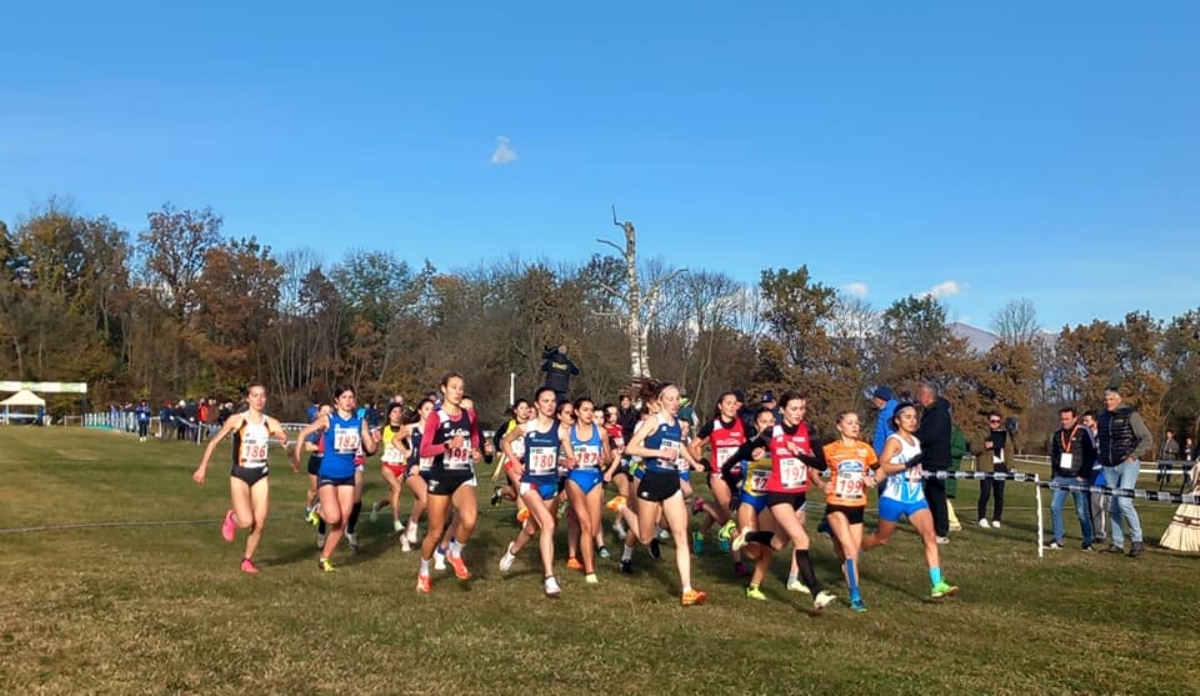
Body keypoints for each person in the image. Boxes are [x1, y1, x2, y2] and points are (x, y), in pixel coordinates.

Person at [732, 391, 836, 609]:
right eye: (794, 409)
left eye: (802, 409)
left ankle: (748, 534)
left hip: (799, 494)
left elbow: (821, 464)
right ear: (782, 410)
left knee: (778, 543)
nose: (799, 413)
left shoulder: (809, 431)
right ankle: (816, 593)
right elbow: (748, 450)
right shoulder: (773, 432)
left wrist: (799, 455)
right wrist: (747, 457)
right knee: (803, 540)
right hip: (778, 494)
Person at [619, 380, 708, 606]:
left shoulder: (678, 424)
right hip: (651, 480)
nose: (674, 402)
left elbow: (677, 447)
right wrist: (657, 452)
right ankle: (621, 507)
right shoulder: (652, 421)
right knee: (646, 537)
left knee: (680, 534)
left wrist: (694, 463)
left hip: (671, 482)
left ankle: (687, 589)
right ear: (660, 401)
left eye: (677, 398)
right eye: (670, 398)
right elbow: (631, 448)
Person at [861, 402, 958, 599]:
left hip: (916, 497)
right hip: (894, 497)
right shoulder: (894, 441)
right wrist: (907, 464)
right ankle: (854, 549)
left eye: (915, 417)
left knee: (930, 537)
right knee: (882, 538)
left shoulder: (916, 441)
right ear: (897, 420)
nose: (913, 420)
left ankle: (937, 583)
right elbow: (884, 466)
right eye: (908, 417)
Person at [192, 382, 289, 574]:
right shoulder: (237, 420)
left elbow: (287, 445)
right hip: (240, 474)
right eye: (255, 395)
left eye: (262, 395)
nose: (259, 399)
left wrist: (291, 453)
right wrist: (202, 467)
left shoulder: (272, 423)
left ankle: (247, 560)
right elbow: (214, 442)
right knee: (246, 521)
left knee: (260, 522)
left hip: (261, 474)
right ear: (248, 399)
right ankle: (232, 517)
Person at [291, 384, 378, 571]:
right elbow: (303, 433)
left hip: (348, 476)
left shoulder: (359, 423)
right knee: (332, 516)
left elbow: (370, 449)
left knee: (342, 520)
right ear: (336, 401)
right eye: (345, 397)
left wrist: (375, 441)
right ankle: (316, 508)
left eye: (351, 397)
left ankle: (324, 559)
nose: (349, 401)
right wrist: (297, 456)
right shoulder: (328, 419)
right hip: (328, 474)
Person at [499, 387, 572, 596]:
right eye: (545, 401)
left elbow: (568, 458)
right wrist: (514, 461)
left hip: (550, 484)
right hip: (530, 483)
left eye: (553, 401)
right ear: (537, 405)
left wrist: (569, 461)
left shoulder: (560, 430)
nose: (550, 405)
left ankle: (512, 551)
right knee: (548, 524)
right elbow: (506, 442)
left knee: (532, 528)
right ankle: (549, 578)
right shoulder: (526, 427)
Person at [415, 372, 481, 592]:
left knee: (469, 520)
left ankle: (455, 553)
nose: (458, 392)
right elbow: (424, 450)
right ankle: (424, 570)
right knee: (435, 532)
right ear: (443, 389)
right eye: (453, 387)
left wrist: (476, 450)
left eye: (461, 388)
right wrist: (446, 446)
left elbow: (474, 436)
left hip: (462, 475)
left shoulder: (469, 415)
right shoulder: (436, 417)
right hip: (440, 477)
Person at [820, 411, 878, 611]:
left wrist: (873, 479)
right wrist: (821, 484)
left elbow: (879, 469)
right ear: (839, 426)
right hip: (836, 505)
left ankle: (829, 529)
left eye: (857, 422)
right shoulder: (829, 450)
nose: (855, 426)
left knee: (849, 557)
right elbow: (812, 469)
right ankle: (855, 596)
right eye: (850, 423)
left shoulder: (866, 449)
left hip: (857, 506)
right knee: (850, 551)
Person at [1096, 387, 1152, 557]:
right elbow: (1102, 440)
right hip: (1108, 466)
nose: (1108, 402)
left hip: (1127, 463)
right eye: (1106, 399)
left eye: (1111, 399)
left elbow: (1146, 439)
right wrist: (1102, 457)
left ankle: (1137, 541)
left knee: (1124, 503)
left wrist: (1133, 457)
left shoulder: (1131, 415)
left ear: (1119, 400)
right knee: (1112, 505)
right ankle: (1117, 543)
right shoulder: (1103, 418)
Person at [1047, 407, 1097, 550]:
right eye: (1062, 419)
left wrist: (1084, 474)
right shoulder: (1057, 435)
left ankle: (1087, 541)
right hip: (1061, 477)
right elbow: (1054, 455)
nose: (1064, 422)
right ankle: (1058, 539)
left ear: (1075, 419)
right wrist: (1054, 475)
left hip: (1078, 478)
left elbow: (1092, 454)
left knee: (1082, 511)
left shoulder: (1083, 432)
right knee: (1054, 507)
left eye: (1067, 419)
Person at [916, 380, 952, 543]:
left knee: (937, 495)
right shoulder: (930, 412)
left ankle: (942, 531)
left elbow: (930, 435)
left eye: (921, 394)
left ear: (928, 395)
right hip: (928, 459)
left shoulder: (939, 413)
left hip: (936, 460)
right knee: (930, 494)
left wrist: (913, 438)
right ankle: (932, 527)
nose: (919, 397)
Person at [971, 410, 1014, 529]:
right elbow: (973, 449)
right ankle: (982, 518)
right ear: (988, 421)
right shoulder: (981, 433)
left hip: (1001, 467)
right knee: (985, 493)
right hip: (986, 467)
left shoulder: (1005, 434)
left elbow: (1009, 451)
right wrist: (985, 446)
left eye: (997, 421)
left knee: (999, 495)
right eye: (993, 421)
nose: (995, 423)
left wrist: (1009, 466)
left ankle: (996, 518)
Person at [1081, 411, 1108, 546]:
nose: (1084, 423)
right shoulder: (1084, 436)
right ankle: (1089, 533)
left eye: (1087, 421)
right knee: (1086, 504)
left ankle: (1100, 533)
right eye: (1083, 421)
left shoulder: (1103, 436)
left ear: (1095, 422)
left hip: (1099, 473)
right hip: (1086, 473)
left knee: (1096, 503)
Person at [869, 386, 898, 456]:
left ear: (879, 399)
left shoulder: (888, 413)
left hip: (887, 456)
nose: (874, 403)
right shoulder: (891, 410)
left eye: (874, 399)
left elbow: (890, 435)